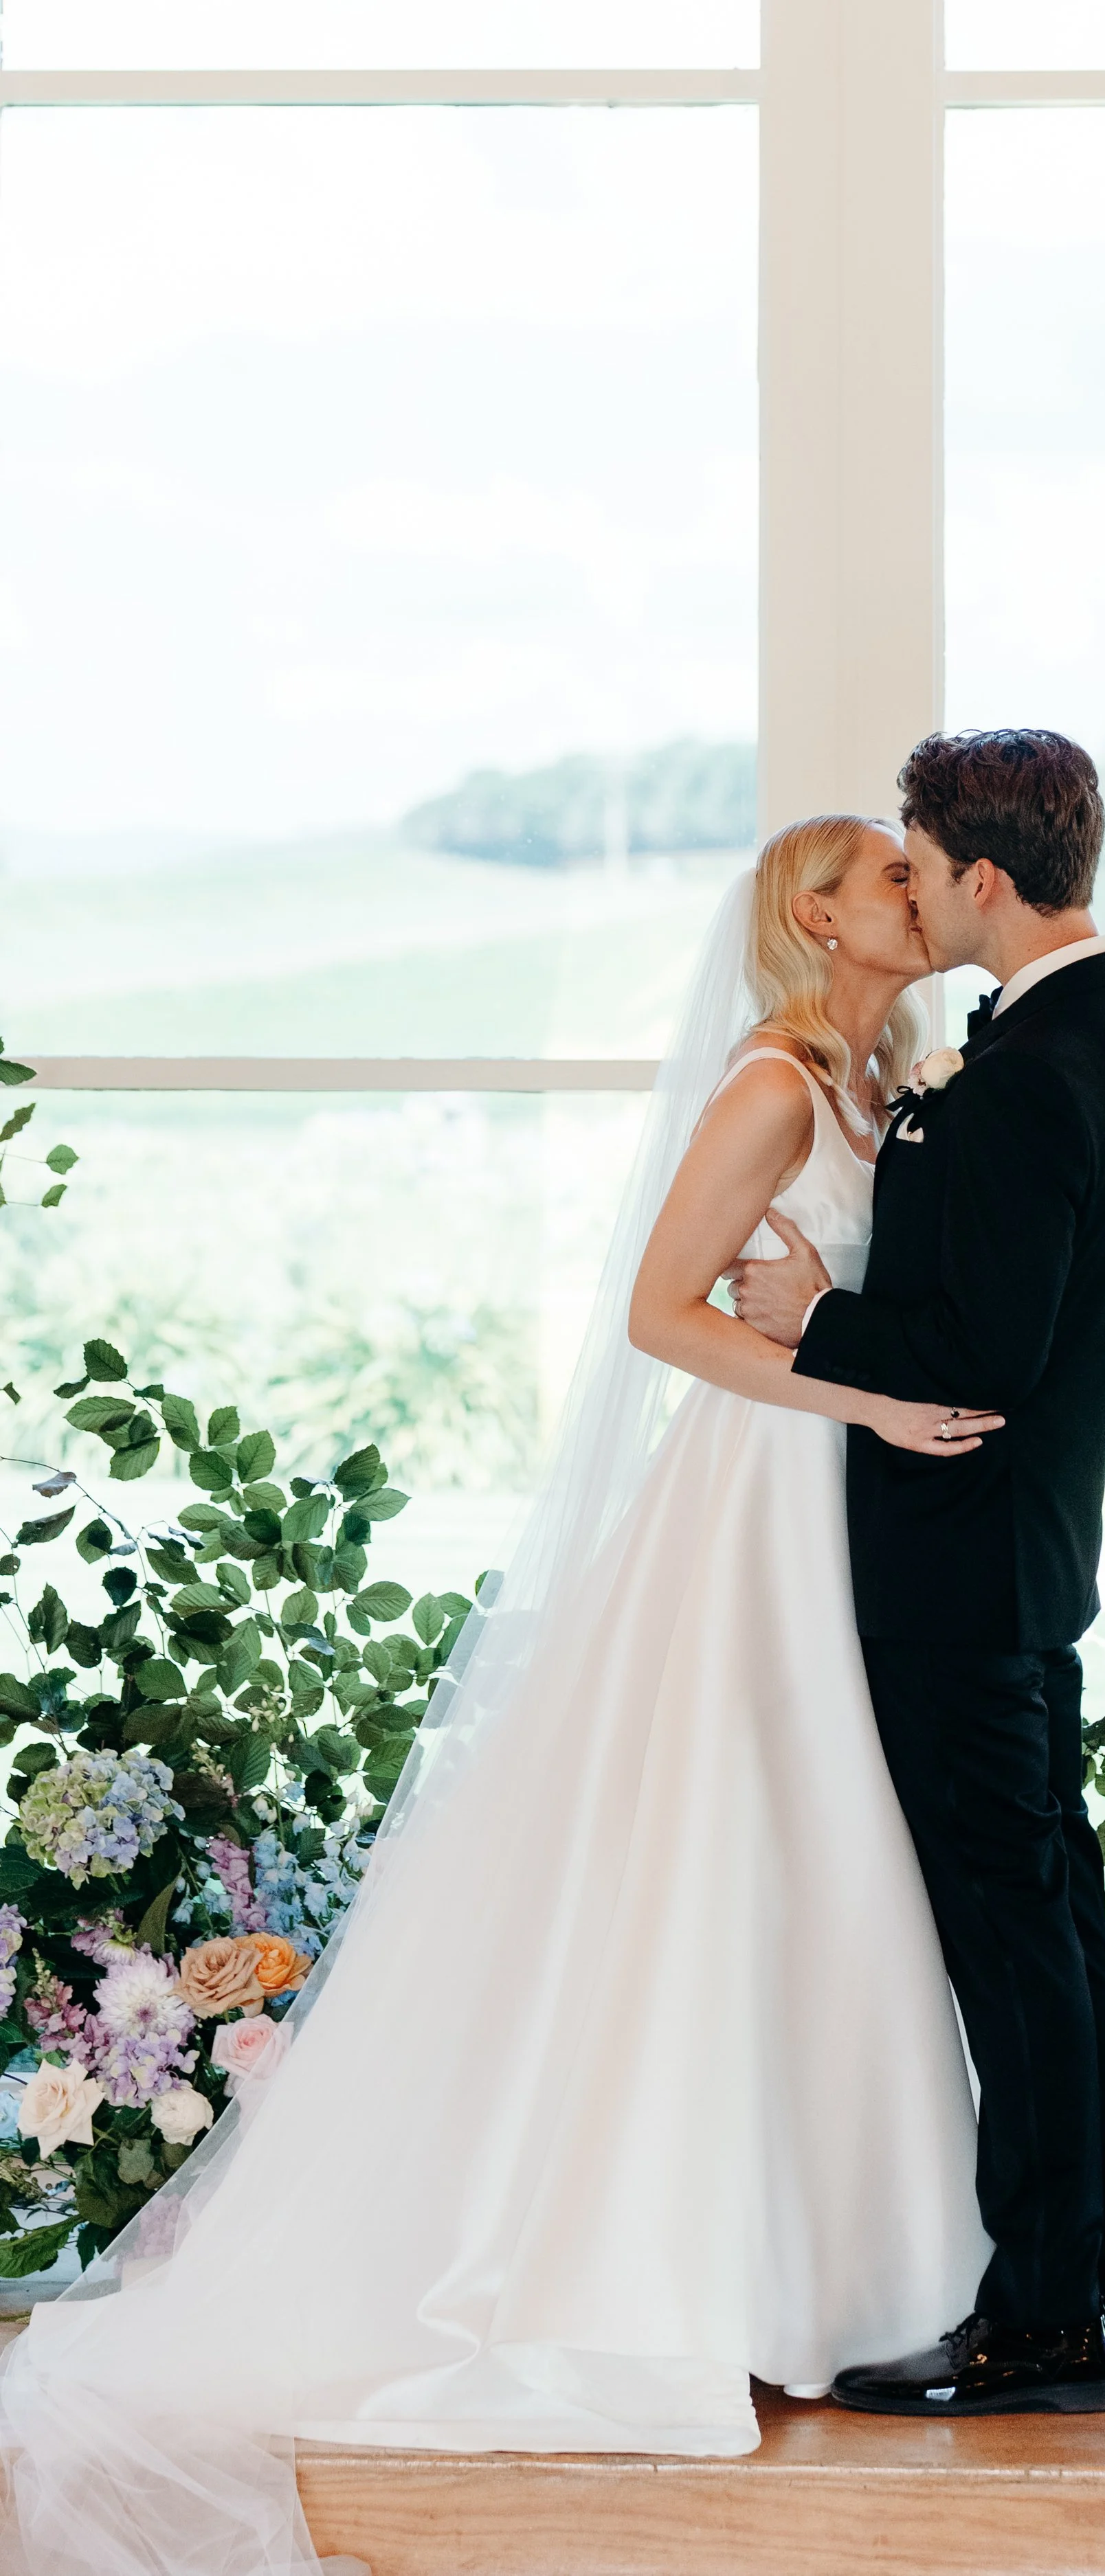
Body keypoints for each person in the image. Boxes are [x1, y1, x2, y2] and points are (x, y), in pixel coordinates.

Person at [0, 816, 996, 2576]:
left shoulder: (878, 1081)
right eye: (889, 877)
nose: (920, 894)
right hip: (763, 1501)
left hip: (843, 1502)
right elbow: (660, 1316)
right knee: (735, 1845)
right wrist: (864, 1399)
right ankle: (677, 2271)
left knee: (830, 1861)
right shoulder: (771, 1086)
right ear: (816, 913)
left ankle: (842, 2267)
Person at [730, 728, 1105, 2419]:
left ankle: (1041, 2322)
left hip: (957, 1566)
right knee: (1049, 1923)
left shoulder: (1022, 1077)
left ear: (984, 877)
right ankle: (1079, 2286)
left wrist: (820, 1319)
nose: (911, 893)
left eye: (919, 866)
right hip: (1029, 1557)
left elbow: (981, 1355)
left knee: (1012, 1945)